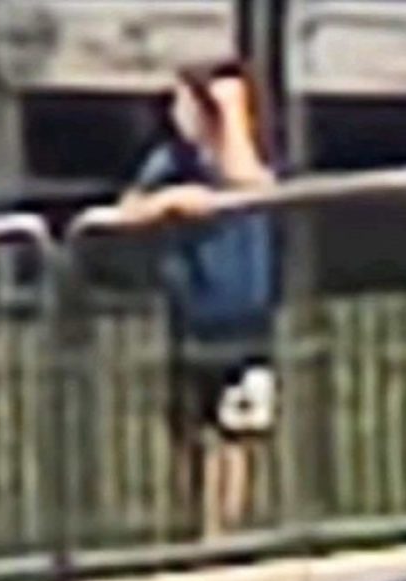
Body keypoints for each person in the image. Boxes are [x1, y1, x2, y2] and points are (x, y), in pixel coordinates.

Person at [108, 61, 281, 541]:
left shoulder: (247, 154)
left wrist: (230, 113)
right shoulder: (170, 162)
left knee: (236, 432)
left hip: (244, 320)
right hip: (193, 316)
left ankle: (225, 531)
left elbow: (251, 184)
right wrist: (168, 203)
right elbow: (126, 209)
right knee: (190, 427)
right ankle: (193, 522)